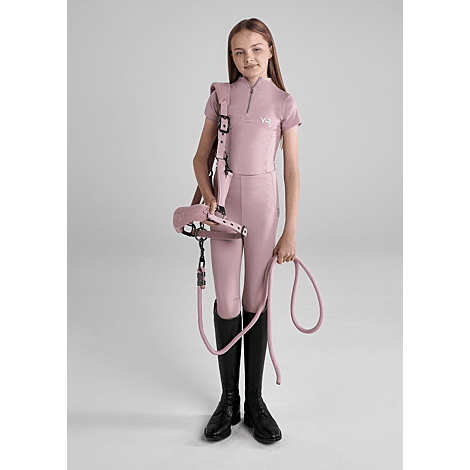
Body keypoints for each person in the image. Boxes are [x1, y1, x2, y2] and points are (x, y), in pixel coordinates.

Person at [192, 18, 301, 444]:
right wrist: (210, 199)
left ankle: (255, 402)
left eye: (256, 49)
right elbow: (200, 158)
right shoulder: (220, 96)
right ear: (231, 56)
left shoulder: (285, 103)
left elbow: (291, 171)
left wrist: (289, 231)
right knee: (227, 301)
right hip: (224, 211)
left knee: (255, 300)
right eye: (239, 52)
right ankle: (228, 400)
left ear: (270, 50)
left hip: (263, 209)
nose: (248, 58)